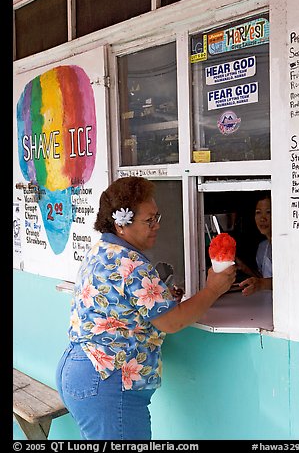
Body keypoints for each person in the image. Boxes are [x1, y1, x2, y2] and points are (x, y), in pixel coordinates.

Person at [56, 176, 236, 440]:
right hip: (108, 383)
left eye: (157, 217)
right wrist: (213, 289)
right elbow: (171, 323)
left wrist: (162, 295)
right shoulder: (132, 264)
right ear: (121, 225)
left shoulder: (102, 250)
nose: (156, 226)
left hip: (82, 370)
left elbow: (124, 305)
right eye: (148, 220)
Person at [237, 192, 272, 296]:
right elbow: (263, 278)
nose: (262, 218)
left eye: (268, 212)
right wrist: (244, 268)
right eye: (258, 212)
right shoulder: (262, 247)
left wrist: (261, 284)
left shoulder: (290, 246)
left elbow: (291, 280)